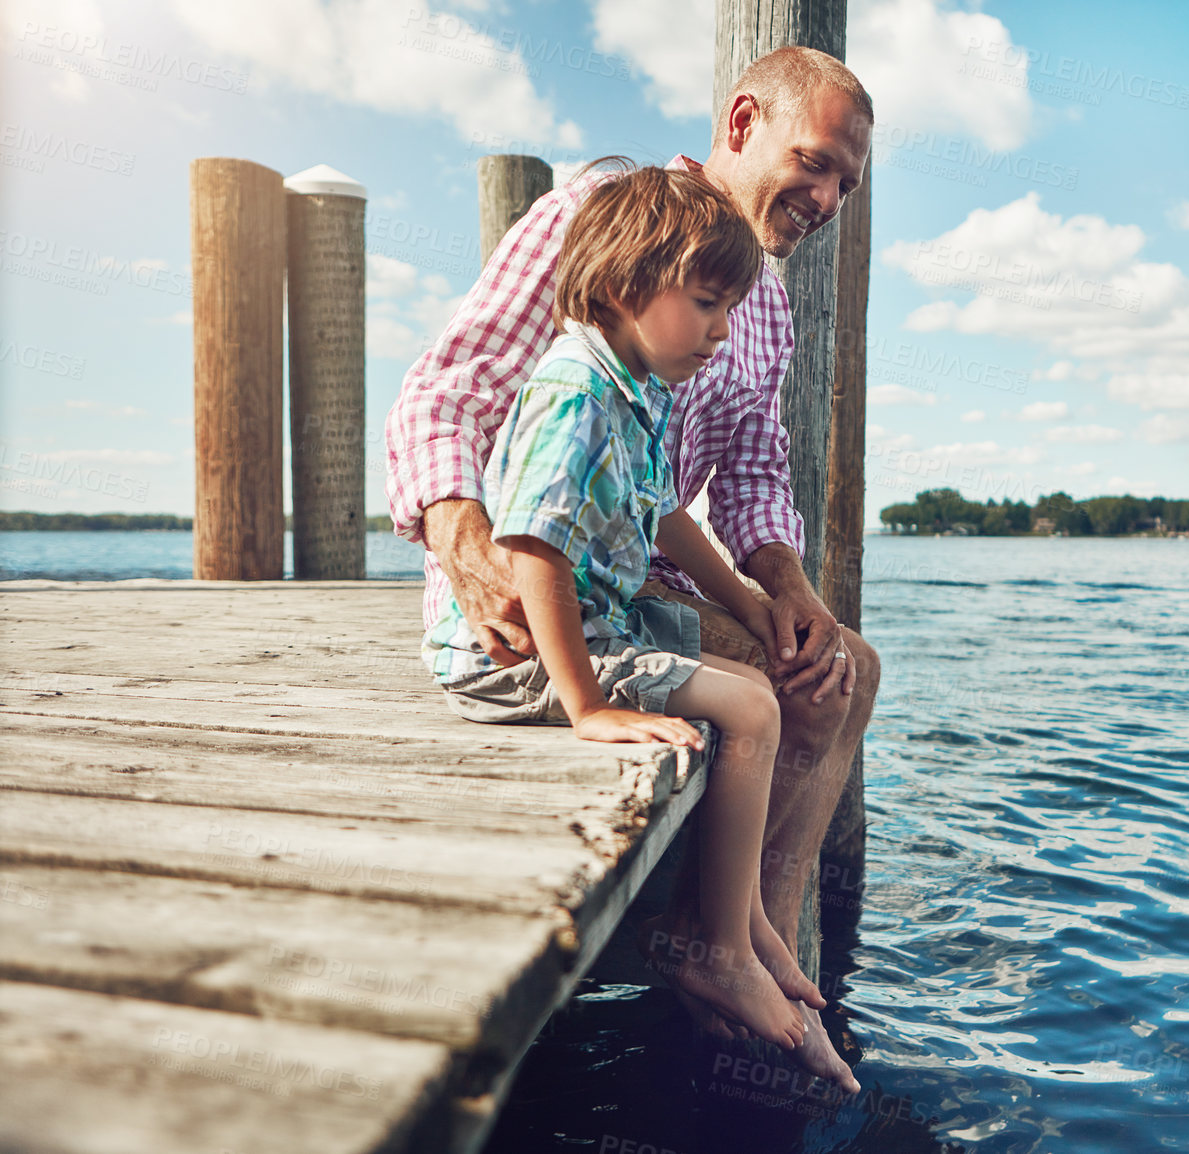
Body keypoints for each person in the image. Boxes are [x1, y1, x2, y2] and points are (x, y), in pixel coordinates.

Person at [385, 46, 874, 1087]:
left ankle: (760, 940)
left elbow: (742, 479)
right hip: (545, 569)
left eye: (848, 182)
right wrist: (464, 541)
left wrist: (783, 588)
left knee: (843, 666)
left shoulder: (765, 307)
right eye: (816, 160)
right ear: (740, 119)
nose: (828, 196)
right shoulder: (604, 218)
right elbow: (444, 392)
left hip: (631, 560)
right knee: (767, 687)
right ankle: (721, 973)